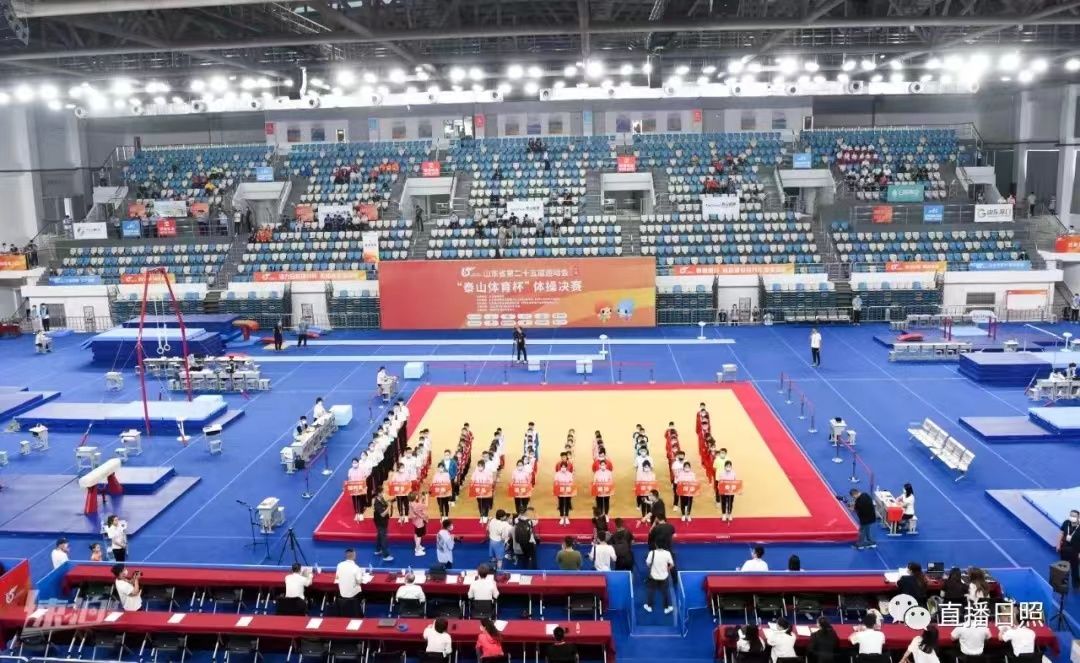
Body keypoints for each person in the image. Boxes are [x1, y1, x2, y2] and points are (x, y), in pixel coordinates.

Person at [643, 544, 674, 614]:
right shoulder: (667, 553)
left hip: (653, 576)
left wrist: (652, 568)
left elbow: (647, 563)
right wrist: (667, 569)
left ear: (656, 545)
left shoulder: (652, 553)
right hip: (664, 577)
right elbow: (672, 565)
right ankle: (666, 608)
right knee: (665, 592)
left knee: (651, 591)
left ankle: (649, 607)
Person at [334, 549, 365, 617]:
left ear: (345, 556)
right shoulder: (356, 568)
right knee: (361, 590)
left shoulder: (339, 565)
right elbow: (359, 581)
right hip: (353, 595)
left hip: (341, 593)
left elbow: (337, 578)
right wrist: (362, 577)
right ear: (354, 556)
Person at [1058, 508, 1080, 589]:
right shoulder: (1066, 523)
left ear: (1078, 517)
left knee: (1075, 569)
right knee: (1063, 566)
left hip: (1075, 551)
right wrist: (1058, 545)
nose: (1072, 517)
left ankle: (1076, 585)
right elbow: (1061, 533)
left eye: (1074, 516)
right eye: (1071, 515)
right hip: (1065, 549)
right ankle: (1062, 583)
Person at [372, 486, 394, 562]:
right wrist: (389, 507)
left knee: (379, 535)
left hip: (383, 521)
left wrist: (390, 502)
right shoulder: (377, 502)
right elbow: (382, 514)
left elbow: (385, 504)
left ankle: (378, 550)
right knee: (383, 537)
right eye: (382, 492)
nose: (383, 493)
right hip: (380, 521)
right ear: (379, 493)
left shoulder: (381, 498)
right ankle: (386, 555)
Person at [348, 457, 370, 522]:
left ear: (358, 463)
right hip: (354, 489)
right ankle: (356, 513)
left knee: (361, 501)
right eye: (353, 463)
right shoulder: (350, 470)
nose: (354, 464)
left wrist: (364, 485)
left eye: (355, 462)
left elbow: (366, 476)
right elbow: (349, 479)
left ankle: (361, 513)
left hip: (361, 488)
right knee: (355, 501)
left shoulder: (362, 469)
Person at [409, 492, 428, 557]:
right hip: (420, 522)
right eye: (417, 495)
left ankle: (418, 546)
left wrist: (421, 500)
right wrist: (426, 497)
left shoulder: (410, 503)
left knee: (416, 533)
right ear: (416, 497)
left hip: (415, 521)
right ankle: (417, 551)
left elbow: (418, 505)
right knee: (419, 536)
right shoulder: (418, 505)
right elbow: (426, 505)